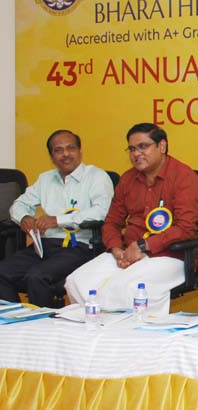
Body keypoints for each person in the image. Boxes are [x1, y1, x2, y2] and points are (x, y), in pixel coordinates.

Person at [65, 123, 198, 315]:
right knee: (77, 281)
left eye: (143, 146)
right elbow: (112, 222)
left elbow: (185, 228)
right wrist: (116, 249)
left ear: (162, 146)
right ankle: (95, 330)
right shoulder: (128, 179)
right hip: (127, 253)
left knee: (127, 287)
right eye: (131, 149)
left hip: (169, 255)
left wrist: (143, 245)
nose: (136, 154)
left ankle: (137, 333)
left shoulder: (184, 177)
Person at [0, 130, 114, 308]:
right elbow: (19, 204)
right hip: (44, 246)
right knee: (2, 273)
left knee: (36, 277)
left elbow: (102, 212)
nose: (65, 154)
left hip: (79, 246)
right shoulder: (45, 179)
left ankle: (45, 323)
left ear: (80, 151)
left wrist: (57, 220)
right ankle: (19, 318)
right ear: (52, 157)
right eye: (58, 150)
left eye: (71, 148)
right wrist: (24, 217)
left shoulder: (97, 177)